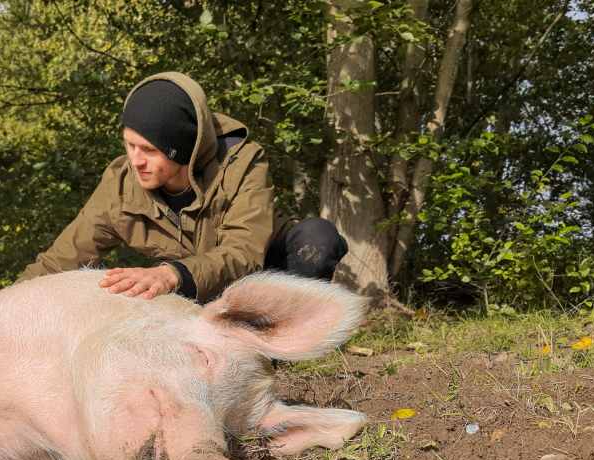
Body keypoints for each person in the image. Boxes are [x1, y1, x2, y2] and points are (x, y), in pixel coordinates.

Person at [18, 72, 348, 303]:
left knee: (317, 240)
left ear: (184, 151)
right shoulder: (120, 183)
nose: (136, 161)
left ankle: (273, 349)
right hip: (192, 293)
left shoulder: (243, 162)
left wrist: (171, 275)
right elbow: (58, 262)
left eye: (149, 150)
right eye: (129, 145)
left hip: (258, 272)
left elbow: (243, 254)